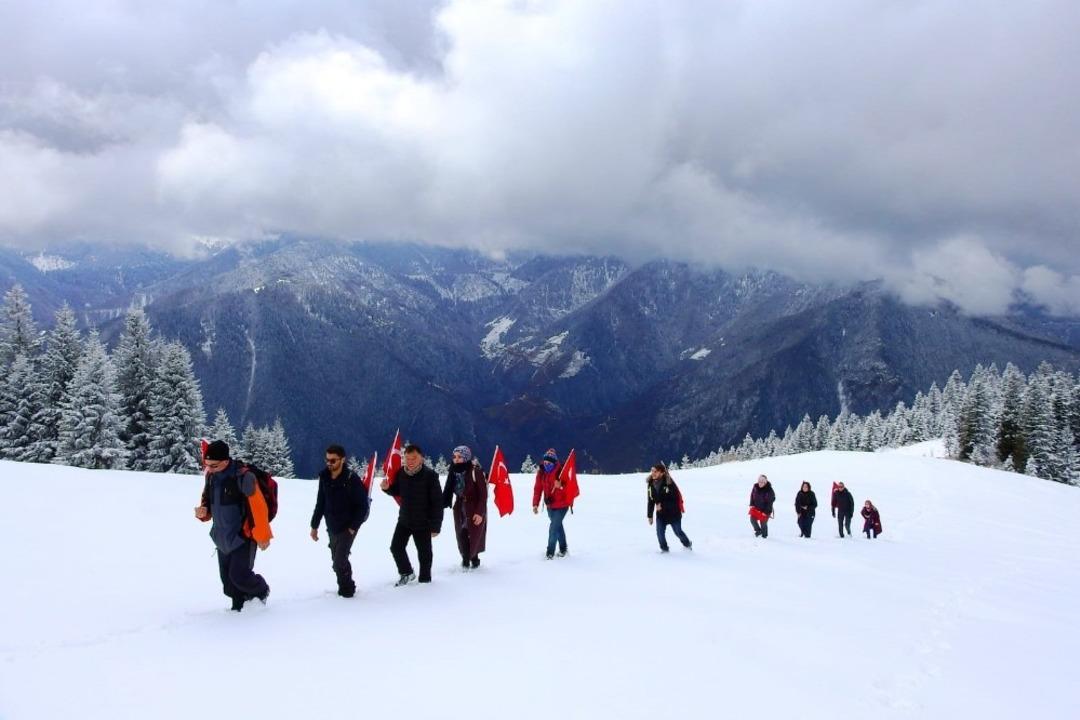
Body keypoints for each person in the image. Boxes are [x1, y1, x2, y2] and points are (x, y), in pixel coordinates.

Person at [194, 440, 271, 612]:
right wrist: (203, 512)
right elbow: (208, 502)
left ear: (225, 460)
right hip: (222, 537)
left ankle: (261, 591)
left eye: (213, 465)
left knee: (240, 576)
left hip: (243, 537)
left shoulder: (244, 477)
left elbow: (259, 508)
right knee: (228, 585)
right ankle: (239, 611)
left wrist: (263, 535)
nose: (209, 469)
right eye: (207, 465)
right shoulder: (211, 477)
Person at [310, 444, 370, 598]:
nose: (329, 463)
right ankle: (344, 587)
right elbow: (320, 502)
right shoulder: (324, 477)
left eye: (333, 460)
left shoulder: (351, 479)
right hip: (332, 525)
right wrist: (314, 526)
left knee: (339, 561)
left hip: (348, 526)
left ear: (343, 460)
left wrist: (353, 527)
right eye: (327, 460)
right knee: (337, 558)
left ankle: (347, 591)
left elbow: (362, 506)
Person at [380, 443, 443, 585]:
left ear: (421, 458)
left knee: (424, 553)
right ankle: (407, 573)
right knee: (396, 547)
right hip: (404, 520)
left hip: (423, 522)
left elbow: (437, 503)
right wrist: (387, 488)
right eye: (407, 458)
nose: (410, 461)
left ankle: (425, 580)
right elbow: (397, 491)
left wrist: (436, 526)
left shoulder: (430, 476)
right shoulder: (401, 473)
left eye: (414, 458)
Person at [441, 445, 488, 570]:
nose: (456, 459)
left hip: (473, 507)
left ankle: (473, 560)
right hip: (459, 507)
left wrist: (479, 512)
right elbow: (448, 490)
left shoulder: (475, 471)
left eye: (459, 457)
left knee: (473, 533)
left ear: (466, 458)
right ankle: (466, 559)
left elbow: (483, 495)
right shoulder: (454, 471)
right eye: (454, 457)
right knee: (461, 533)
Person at [532, 448, 570, 559]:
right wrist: (535, 504)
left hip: (562, 505)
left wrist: (561, 486)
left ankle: (550, 553)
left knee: (553, 528)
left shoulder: (561, 471)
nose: (546, 464)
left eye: (549, 462)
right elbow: (538, 489)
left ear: (554, 462)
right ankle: (563, 548)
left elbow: (569, 487)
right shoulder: (541, 472)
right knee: (558, 527)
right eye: (545, 461)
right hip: (550, 505)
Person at [647, 463, 692, 552]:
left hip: (674, 514)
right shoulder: (651, 484)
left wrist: (661, 505)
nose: (653, 473)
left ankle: (687, 545)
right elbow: (651, 500)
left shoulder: (669, 483)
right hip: (661, 515)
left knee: (678, 532)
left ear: (662, 473)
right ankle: (664, 550)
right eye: (652, 471)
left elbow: (675, 499)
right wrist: (650, 516)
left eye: (656, 471)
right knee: (660, 534)